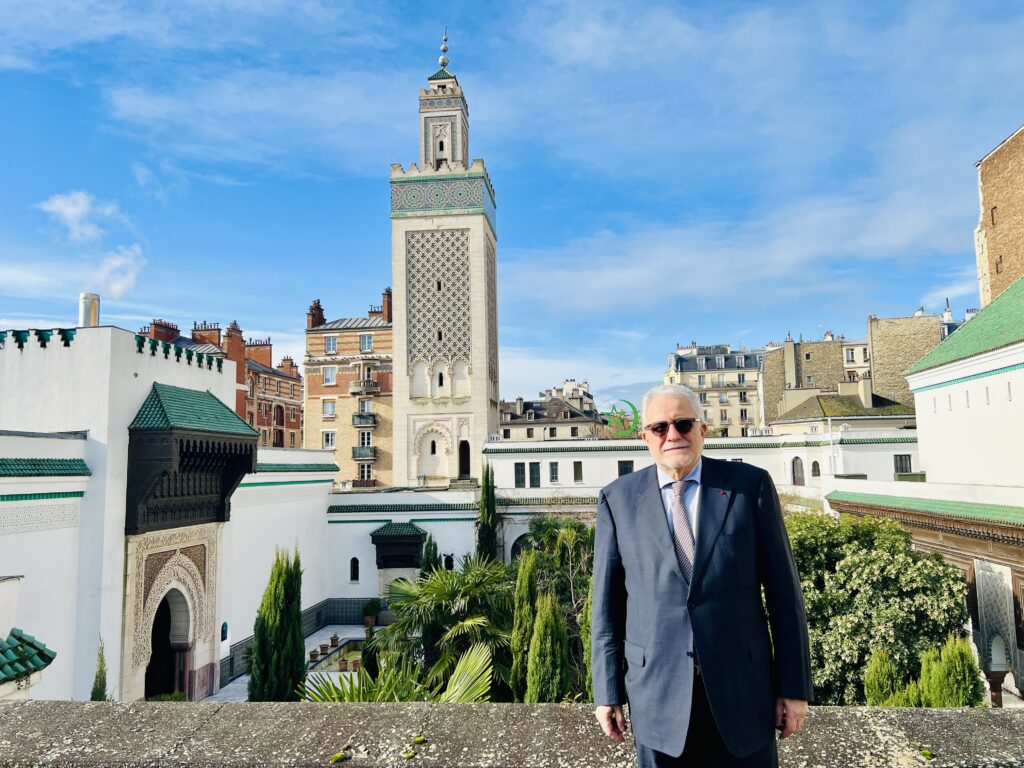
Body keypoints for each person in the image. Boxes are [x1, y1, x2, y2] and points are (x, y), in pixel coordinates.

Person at [591, 384, 812, 767]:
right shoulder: (618, 499)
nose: (672, 435)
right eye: (659, 428)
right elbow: (607, 608)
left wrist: (794, 688)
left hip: (743, 694)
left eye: (682, 423)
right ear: (645, 436)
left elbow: (784, 596)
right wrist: (606, 691)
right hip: (656, 697)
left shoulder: (749, 487)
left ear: (702, 429)